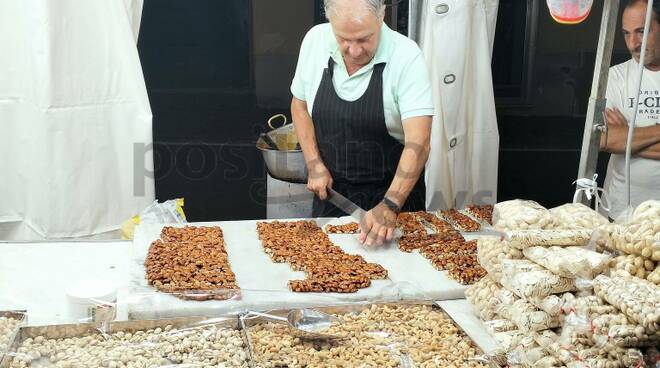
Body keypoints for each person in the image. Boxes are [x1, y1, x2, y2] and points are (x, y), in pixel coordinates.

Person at [290, 0, 434, 246]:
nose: (354, 51)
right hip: (333, 196)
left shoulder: (406, 55)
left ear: (382, 17)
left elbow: (419, 142)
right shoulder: (315, 41)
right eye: (344, 39)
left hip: (394, 201)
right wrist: (314, 163)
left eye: (364, 39)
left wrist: (390, 204)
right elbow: (299, 106)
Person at [601, 0, 660, 220]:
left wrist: (628, 134)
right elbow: (605, 139)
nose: (633, 43)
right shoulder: (615, 76)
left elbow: (618, 141)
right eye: (626, 33)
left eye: (642, 31)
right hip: (621, 213)